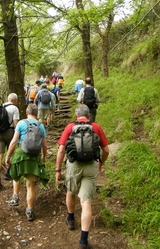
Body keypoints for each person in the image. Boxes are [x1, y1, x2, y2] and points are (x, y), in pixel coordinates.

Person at [55, 104, 109, 249]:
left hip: (73, 165)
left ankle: (71, 219)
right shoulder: (96, 127)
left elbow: (61, 150)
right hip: (91, 166)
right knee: (86, 202)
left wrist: (58, 170)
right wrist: (100, 164)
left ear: (75, 115)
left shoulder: (70, 127)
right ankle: (83, 240)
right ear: (89, 115)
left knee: (71, 192)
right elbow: (106, 150)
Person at [5, 104, 49, 221]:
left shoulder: (21, 123)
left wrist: (8, 156)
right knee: (30, 186)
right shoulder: (41, 126)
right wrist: (43, 158)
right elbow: (44, 145)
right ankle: (29, 210)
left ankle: (15, 196)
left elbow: (14, 141)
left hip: (20, 155)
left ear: (26, 112)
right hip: (34, 158)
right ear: (37, 113)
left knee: (16, 177)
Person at [0, 93, 19, 187]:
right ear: (15, 100)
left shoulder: (0, 106)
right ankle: (7, 173)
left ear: (8, 99)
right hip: (9, 132)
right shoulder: (15, 108)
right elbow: (16, 124)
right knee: (10, 152)